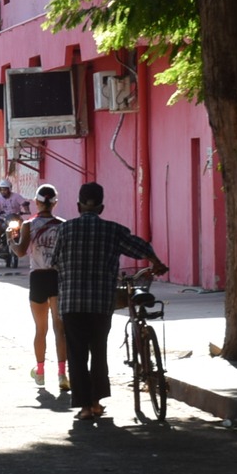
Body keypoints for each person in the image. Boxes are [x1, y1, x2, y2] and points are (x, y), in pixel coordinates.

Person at [51, 181, 167, 423]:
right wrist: (156, 262)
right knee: (98, 351)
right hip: (101, 303)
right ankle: (96, 402)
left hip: (71, 303)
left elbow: (55, 262)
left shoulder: (65, 230)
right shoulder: (114, 230)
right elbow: (140, 247)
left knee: (77, 354)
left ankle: (83, 407)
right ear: (101, 208)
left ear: (78, 206)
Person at [17, 183, 68, 392]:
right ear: (55, 202)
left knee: (41, 329)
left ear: (37, 202)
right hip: (58, 277)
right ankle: (62, 374)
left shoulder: (28, 225)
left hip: (37, 278)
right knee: (60, 330)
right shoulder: (63, 225)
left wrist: (12, 242)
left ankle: (40, 372)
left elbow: (20, 252)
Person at [0, 178, 28, 267]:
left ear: (9, 189)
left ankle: (23, 245)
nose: (3, 191)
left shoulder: (16, 196)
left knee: (25, 228)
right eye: (2, 189)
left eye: (5, 189)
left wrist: (26, 210)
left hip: (15, 218)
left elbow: (24, 203)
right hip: (2, 218)